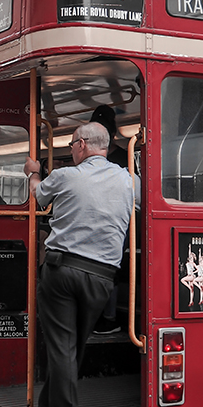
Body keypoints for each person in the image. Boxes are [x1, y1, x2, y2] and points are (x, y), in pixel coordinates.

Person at [23, 122, 137, 407]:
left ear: (82, 145)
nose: (71, 150)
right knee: (73, 347)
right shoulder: (128, 180)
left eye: (72, 144)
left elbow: (38, 195)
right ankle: (49, 406)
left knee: (61, 346)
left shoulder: (65, 176)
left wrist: (33, 171)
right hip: (102, 278)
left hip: (62, 271)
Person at [89, 105, 128, 334]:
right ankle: (105, 317)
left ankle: (106, 317)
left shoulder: (89, 163)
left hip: (106, 223)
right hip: (115, 224)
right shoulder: (124, 158)